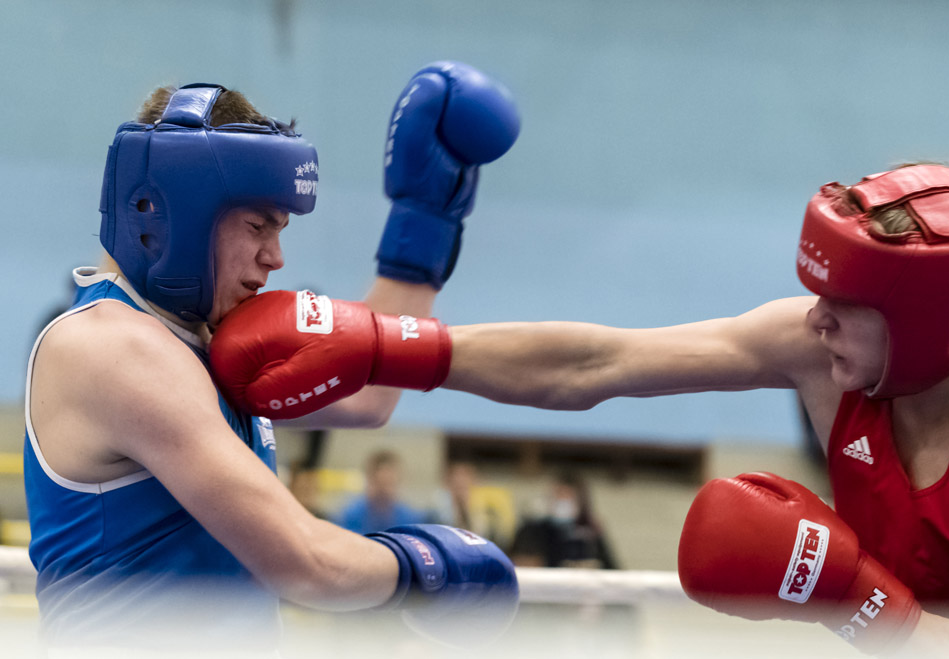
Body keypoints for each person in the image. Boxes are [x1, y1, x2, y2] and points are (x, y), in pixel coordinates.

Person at [213, 163, 949, 656]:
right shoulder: (820, 349)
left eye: (848, 304)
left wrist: (856, 596)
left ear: (943, 318)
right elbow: (598, 362)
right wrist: (393, 347)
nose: (817, 317)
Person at [24, 62, 520, 654]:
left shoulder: (212, 340)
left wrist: (427, 216)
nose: (276, 257)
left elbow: (369, 395)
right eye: (258, 225)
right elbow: (307, 562)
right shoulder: (112, 348)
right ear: (171, 209)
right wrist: (427, 566)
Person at [509, 470, 617, 569]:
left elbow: (612, 570)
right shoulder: (531, 529)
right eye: (558, 495)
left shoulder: (590, 533)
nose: (562, 501)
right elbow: (514, 564)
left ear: (580, 502)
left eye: (568, 497)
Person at [337, 450, 425, 534]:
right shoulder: (351, 515)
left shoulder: (410, 519)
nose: (384, 491)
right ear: (369, 481)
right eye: (379, 483)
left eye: (389, 483)